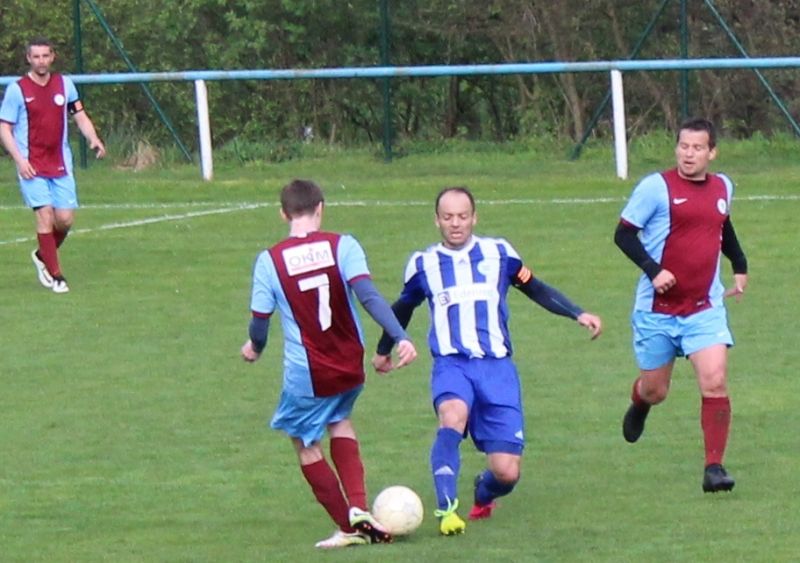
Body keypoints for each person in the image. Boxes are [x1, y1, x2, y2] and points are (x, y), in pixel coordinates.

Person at [371, 186, 602, 535]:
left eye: (462, 216)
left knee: (507, 472)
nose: (456, 223)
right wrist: (383, 348)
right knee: (452, 416)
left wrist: (576, 312)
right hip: (452, 364)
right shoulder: (424, 264)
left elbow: (535, 287)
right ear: (437, 220)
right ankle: (447, 511)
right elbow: (403, 307)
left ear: (474, 217)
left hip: (498, 370)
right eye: (448, 217)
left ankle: (483, 491)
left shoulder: (500, 254)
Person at [240, 179, 418, 549]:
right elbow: (367, 295)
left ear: (283, 213)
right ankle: (358, 506)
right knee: (340, 420)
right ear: (321, 207)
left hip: (308, 371)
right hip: (350, 362)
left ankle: (349, 525)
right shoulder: (343, 245)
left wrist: (255, 347)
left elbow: (260, 320)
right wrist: (400, 336)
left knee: (305, 441)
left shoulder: (269, 261)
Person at [614, 117, 748, 493]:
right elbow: (623, 234)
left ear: (712, 152)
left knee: (715, 380)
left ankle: (714, 468)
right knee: (657, 391)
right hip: (656, 311)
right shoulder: (655, 188)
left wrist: (739, 265)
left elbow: (722, 224)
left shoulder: (723, 186)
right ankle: (641, 403)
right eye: (683, 146)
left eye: (697, 148)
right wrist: (654, 271)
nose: (689, 154)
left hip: (704, 308)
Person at [0, 36, 106, 294]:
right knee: (45, 214)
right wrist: (19, 160)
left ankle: (41, 255)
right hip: (32, 166)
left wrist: (93, 139)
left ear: (52, 56)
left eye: (45, 56)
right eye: (36, 56)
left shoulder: (64, 84)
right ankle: (56, 275)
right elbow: (4, 128)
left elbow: (79, 115)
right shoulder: (18, 90)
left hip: (60, 163)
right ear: (28, 58)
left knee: (65, 220)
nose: (41, 61)